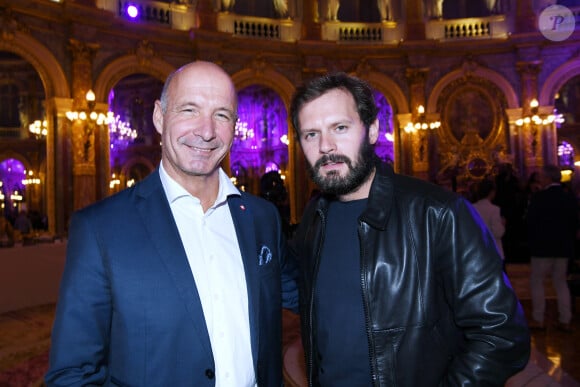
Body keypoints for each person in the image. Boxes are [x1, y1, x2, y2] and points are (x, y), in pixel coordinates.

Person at [46, 61, 297, 386]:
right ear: (159, 117)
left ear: (234, 126)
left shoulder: (262, 218)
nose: (206, 131)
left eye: (221, 115)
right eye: (189, 110)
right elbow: (72, 374)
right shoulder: (100, 230)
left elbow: (313, 294)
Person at [288, 72, 530, 385]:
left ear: (372, 130)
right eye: (310, 134)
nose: (325, 146)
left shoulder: (439, 213)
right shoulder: (314, 217)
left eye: (340, 127)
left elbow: (502, 335)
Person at [526, 164, 577, 332]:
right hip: (563, 247)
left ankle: (539, 318)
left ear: (547, 178)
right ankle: (565, 319)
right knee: (561, 283)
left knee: (537, 282)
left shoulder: (539, 197)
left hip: (542, 247)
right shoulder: (569, 197)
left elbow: (530, 221)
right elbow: (575, 222)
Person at [472, 178, 505, 259]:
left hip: (477, 250)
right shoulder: (494, 209)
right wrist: (502, 224)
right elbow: (497, 233)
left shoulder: (472, 208)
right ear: (491, 192)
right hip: (492, 251)